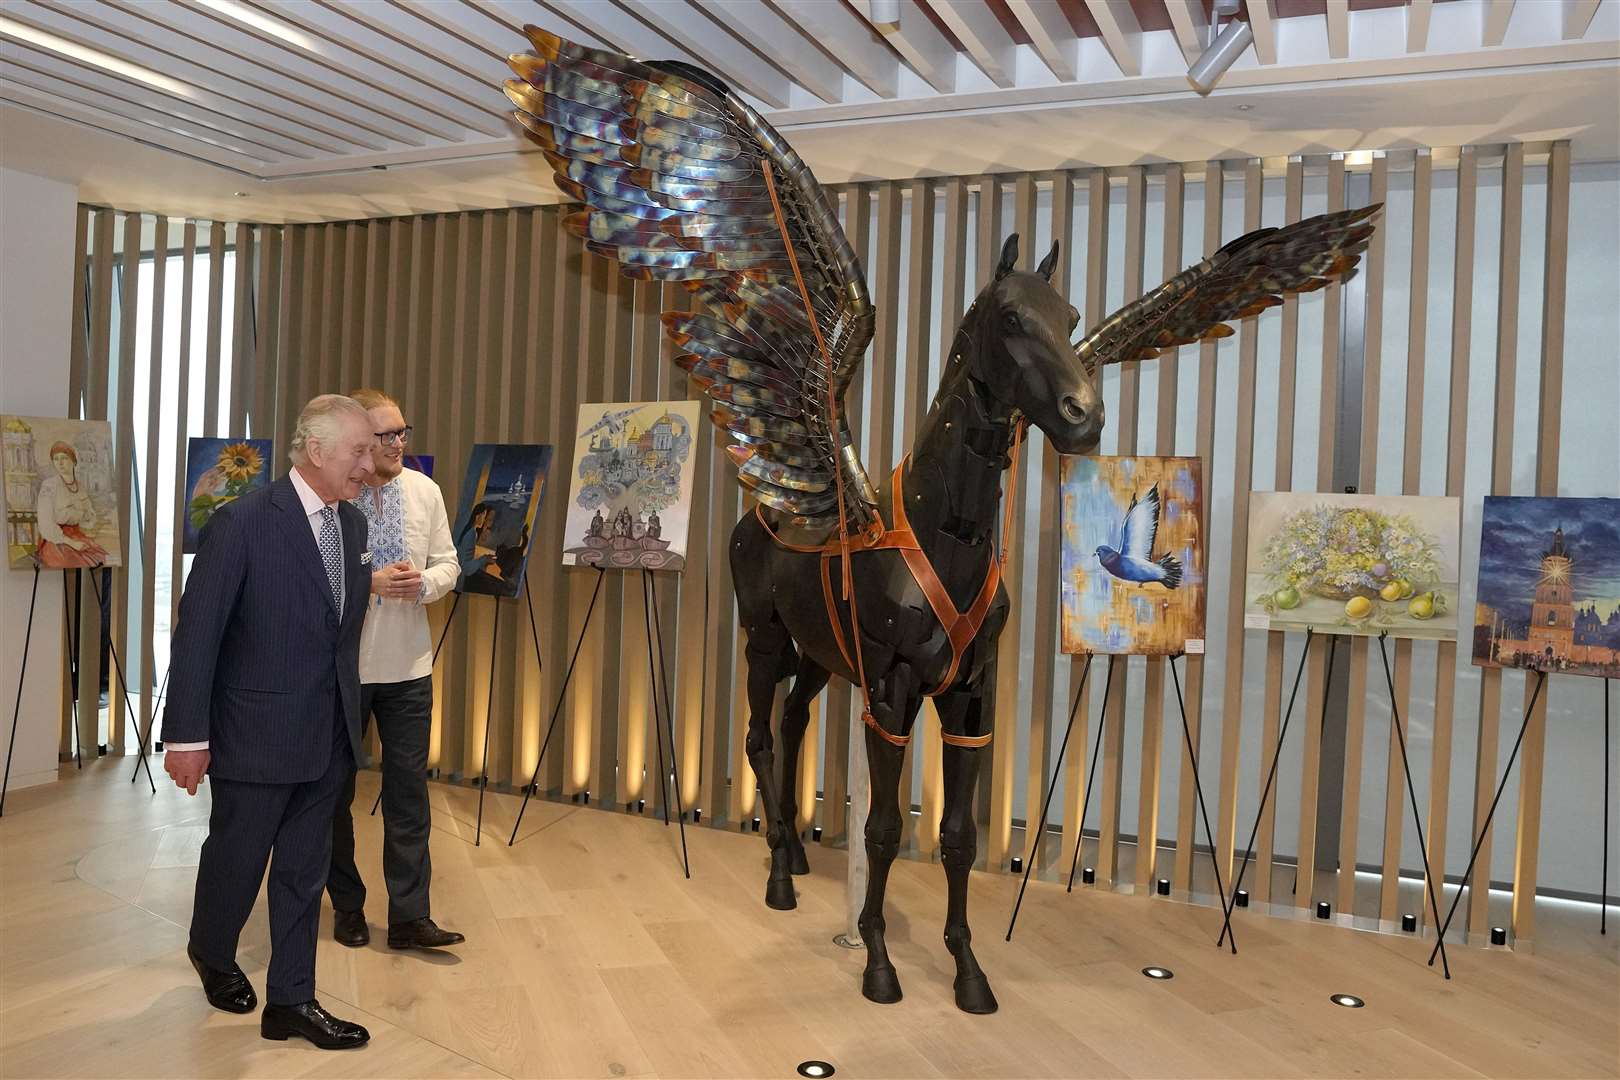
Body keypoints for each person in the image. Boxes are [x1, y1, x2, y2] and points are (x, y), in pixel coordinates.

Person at [162, 394, 376, 1051]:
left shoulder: (355, 529)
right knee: (237, 857)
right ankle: (212, 949)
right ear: (317, 451)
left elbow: (338, 636)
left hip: (328, 735)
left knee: (304, 874)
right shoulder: (244, 522)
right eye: (360, 451)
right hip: (254, 735)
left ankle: (292, 1001)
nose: (370, 464)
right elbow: (198, 634)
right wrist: (187, 736)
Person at [326, 389, 464, 953]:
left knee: (409, 793)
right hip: (343, 670)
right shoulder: (337, 496)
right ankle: (348, 907)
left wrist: (425, 584)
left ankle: (410, 917)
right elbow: (313, 577)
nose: (399, 443)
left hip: (409, 668)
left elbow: (450, 562)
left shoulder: (424, 491)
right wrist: (367, 584)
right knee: (333, 793)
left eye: (403, 432)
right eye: (387, 436)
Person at [35, 440, 109, 568]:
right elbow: (46, 523)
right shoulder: (49, 486)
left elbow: (90, 516)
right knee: (82, 561)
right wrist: (71, 542)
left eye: (64, 458)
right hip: (56, 540)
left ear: (74, 461)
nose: (60, 463)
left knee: (104, 558)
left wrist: (81, 516)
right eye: (56, 459)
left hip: (77, 536)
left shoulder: (80, 487)